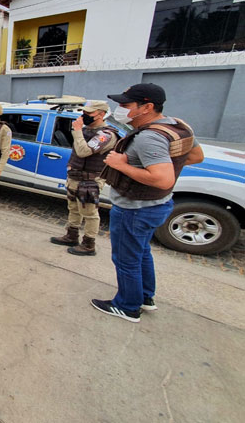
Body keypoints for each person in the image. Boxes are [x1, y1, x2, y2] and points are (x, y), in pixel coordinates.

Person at [91, 83, 204, 323]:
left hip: (135, 208)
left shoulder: (149, 138)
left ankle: (127, 306)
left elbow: (163, 180)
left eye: (126, 105)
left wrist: (122, 165)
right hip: (157, 204)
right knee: (141, 253)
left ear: (147, 107)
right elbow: (195, 156)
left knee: (125, 259)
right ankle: (145, 298)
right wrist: (159, 165)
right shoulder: (177, 125)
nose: (119, 109)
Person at [50, 100, 118, 256]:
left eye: (89, 114)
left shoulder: (106, 135)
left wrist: (77, 130)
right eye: (84, 113)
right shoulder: (87, 130)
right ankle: (71, 235)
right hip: (75, 176)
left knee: (89, 212)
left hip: (90, 180)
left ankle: (89, 244)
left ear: (101, 114)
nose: (84, 116)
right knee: (73, 208)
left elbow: (83, 151)